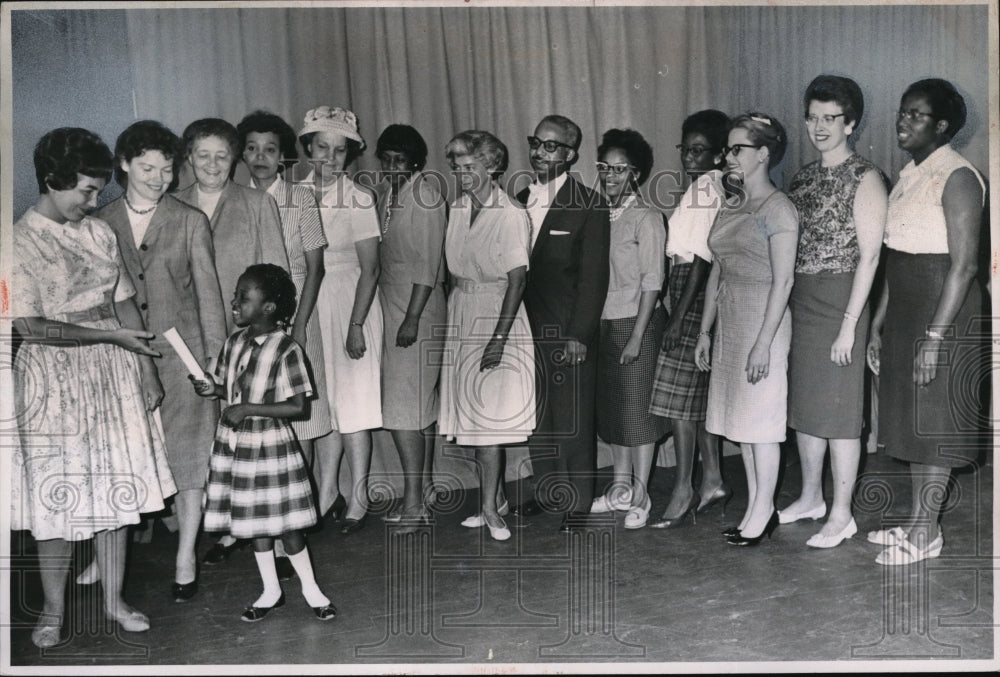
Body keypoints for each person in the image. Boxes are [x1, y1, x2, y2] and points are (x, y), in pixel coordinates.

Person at [12, 128, 177, 647]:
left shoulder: (100, 232)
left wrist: (145, 365)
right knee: (55, 500)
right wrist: (109, 335)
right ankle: (54, 612)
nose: (92, 201)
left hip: (113, 372)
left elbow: (124, 298)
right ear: (50, 180)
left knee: (114, 490)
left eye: (98, 190)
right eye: (84, 190)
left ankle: (114, 600)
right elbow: (29, 327)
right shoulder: (17, 241)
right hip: (52, 380)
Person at [94, 120, 228, 599]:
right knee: (123, 457)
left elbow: (209, 295)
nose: (158, 177)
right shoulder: (100, 219)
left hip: (183, 357)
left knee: (191, 457)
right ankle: (105, 552)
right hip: (122, 356)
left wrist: (215, 360)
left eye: (167, 170)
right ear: (124, 165)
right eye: (147, 168)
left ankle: (185, 553)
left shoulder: (191, 219)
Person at [866, 79, 987, 565]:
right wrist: (878, 323)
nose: (903, 120)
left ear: (942, 126)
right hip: (907, 307)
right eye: (902, 111)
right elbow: (897, 256)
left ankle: (927, 533)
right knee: (913, 421)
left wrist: (935, 338)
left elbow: (964, 266)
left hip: (946, 311)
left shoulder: (958, 176)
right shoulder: (909, 174)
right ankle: (917, 520)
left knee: (934, 422)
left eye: (916, 115)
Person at [192, 264, 336, 622]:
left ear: (269, 307)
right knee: (255, 522)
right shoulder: (234, 343)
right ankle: (271, 591)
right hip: (238, 447)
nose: (235, 302)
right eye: (236, 296)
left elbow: (299, 406)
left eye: (244, 297)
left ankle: (311, 589)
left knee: (288, 526)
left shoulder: (286, 349)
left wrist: (248, 409)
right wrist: (214, 389)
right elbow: (231, 388)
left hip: (270, 447)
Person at [176, 117, 291, 564]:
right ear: (188, 158)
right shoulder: (172, 203)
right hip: (191, 339)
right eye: (202, 155)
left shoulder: (257, 203)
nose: (211, 164)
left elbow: (276, 276)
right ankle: (227, 525)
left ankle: (275, 530)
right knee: (207, 439)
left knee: (254, 435)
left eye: (222, 155)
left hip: (245, 341)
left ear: (235, 158)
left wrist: (266, 340)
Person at [781, 76, 888, 548]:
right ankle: (810, 497)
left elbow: (870, 257)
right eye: (813, 118)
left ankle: (842, 513)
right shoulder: (802, 178)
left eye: (831, 119)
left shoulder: (866, 176)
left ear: (851, 123)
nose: (820, 127)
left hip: (844, 300)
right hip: (802, 300)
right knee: (806, 407)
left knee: (841, 413)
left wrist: (850, 328)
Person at [693, 112, 798, 546]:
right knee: (744, 425)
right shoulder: (732, 203)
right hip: (732, 319)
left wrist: (763, 344)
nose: (728, 157)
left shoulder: (779, 208)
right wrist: (704, 330)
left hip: (764, 320)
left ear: (764, 154)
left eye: (738, 149)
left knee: (762, 423)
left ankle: (762, 511)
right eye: (728, 149)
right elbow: (717, 268)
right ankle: (759, 507)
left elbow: (784, 280)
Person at [513, 114, 611, 533]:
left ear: (571, 155)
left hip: (567, 329)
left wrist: (579, 334)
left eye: (550, 146)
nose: (539, 152)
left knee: (571, 417)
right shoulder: (519, 196)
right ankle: (547, 490)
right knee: (537, 415)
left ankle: (578, 501)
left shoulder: (589, 204)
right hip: (524, 327)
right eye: (536, 142)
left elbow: (593, 279)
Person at [439, 130, 536, 541]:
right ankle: (493, 502)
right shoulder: (458, 208)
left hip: (499, 318)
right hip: (463, 313)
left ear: (493, 167)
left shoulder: (512, 213)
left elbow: (517, 281)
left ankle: (492, 512)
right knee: (474, 422)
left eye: (470, 167)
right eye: (457, 168)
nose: (463, 175)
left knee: (490, 423)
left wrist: (498, 339)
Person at [300, 106, 383, 533]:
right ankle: (327, 490)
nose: (330, 159)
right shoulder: (292, 193)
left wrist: (355, 324)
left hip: (352, 300)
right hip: (310, 303)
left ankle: (361, 495)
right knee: (325, 403)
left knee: (354, 404)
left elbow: (371, 269)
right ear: (307, 149)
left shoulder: (358, 197)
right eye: (321, 149)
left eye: (339, 151)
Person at [649, 110, 732, 529]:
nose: (690, 158)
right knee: (692, 400)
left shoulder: (706, 189)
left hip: (692, 292)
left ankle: (684, 487)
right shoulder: (702, 187)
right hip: (687, 288)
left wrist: (679, 317)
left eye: (700, 151)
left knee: (679, 404)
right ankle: (713, 478)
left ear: (719, 155)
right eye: (686, 149)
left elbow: (701, 258)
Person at [236, 110, 333, 465]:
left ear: (283, 156)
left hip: (297, 318)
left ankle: (303, 507)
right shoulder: (236, 201)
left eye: (270, 150)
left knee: (299, 417)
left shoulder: (301, 199)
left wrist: (301, 327)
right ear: (242, 154)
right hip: (251, 323)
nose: (260, 158)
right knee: (258, 405)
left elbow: (315, 269)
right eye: (252, 149)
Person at [590, 128, 668, 529]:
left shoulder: (648, 217)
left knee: (639, 413)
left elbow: (653, 281)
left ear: (636, 174)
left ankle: (642, 493)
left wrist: (637, 336)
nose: (611, 177)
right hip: (603, 324)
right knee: (615, 412)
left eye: (621, 170)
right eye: (605, 168)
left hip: (637, 324)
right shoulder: (598, 214)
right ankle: (619, 488)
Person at [373, 124, 448, 528]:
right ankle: (428, 488)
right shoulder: (390, 194)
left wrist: (413, 319)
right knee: (419, 408)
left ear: (416, 162)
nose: (390, 167)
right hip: (394, 307)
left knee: (405, 412)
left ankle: (414, 503)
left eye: (398, 161)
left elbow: (428, 266)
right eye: (385, 160)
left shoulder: (427, 197)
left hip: (416, 311)